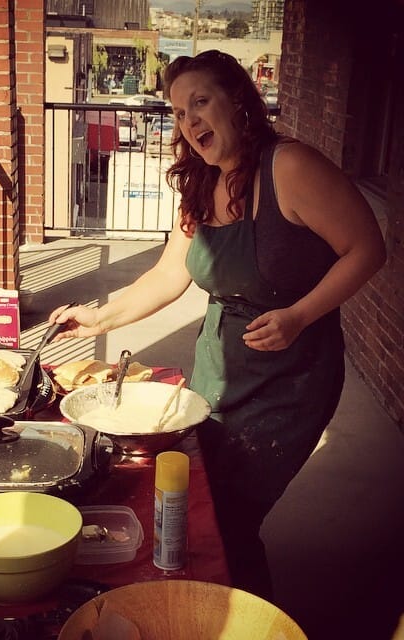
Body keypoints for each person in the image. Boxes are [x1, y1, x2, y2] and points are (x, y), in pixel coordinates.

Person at [48, 50, 386, 600]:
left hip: (293, 378)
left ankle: (243, 616)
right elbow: (169, 276)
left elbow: (367, 248)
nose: (190, 121)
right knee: (204, 501)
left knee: (231, 515)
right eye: (180, 112)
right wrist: (98, 316)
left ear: (238, 100)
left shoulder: (291, 168)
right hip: (219, 367)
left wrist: (299, 316)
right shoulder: (201, 184)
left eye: (201, 102)